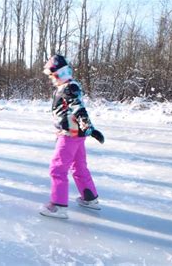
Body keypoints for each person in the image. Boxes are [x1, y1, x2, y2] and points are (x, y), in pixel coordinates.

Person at [40, 54, 105, 219]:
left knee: (57, 169)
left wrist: (88, 126)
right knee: (79, 166)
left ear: (60, 73)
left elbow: (78, 108)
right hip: (75, 135)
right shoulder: (66, 87)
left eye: (52, 75)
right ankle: (90, 198)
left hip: (70, 135)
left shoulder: (69, 87)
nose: (51, 79)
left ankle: (58, 205)